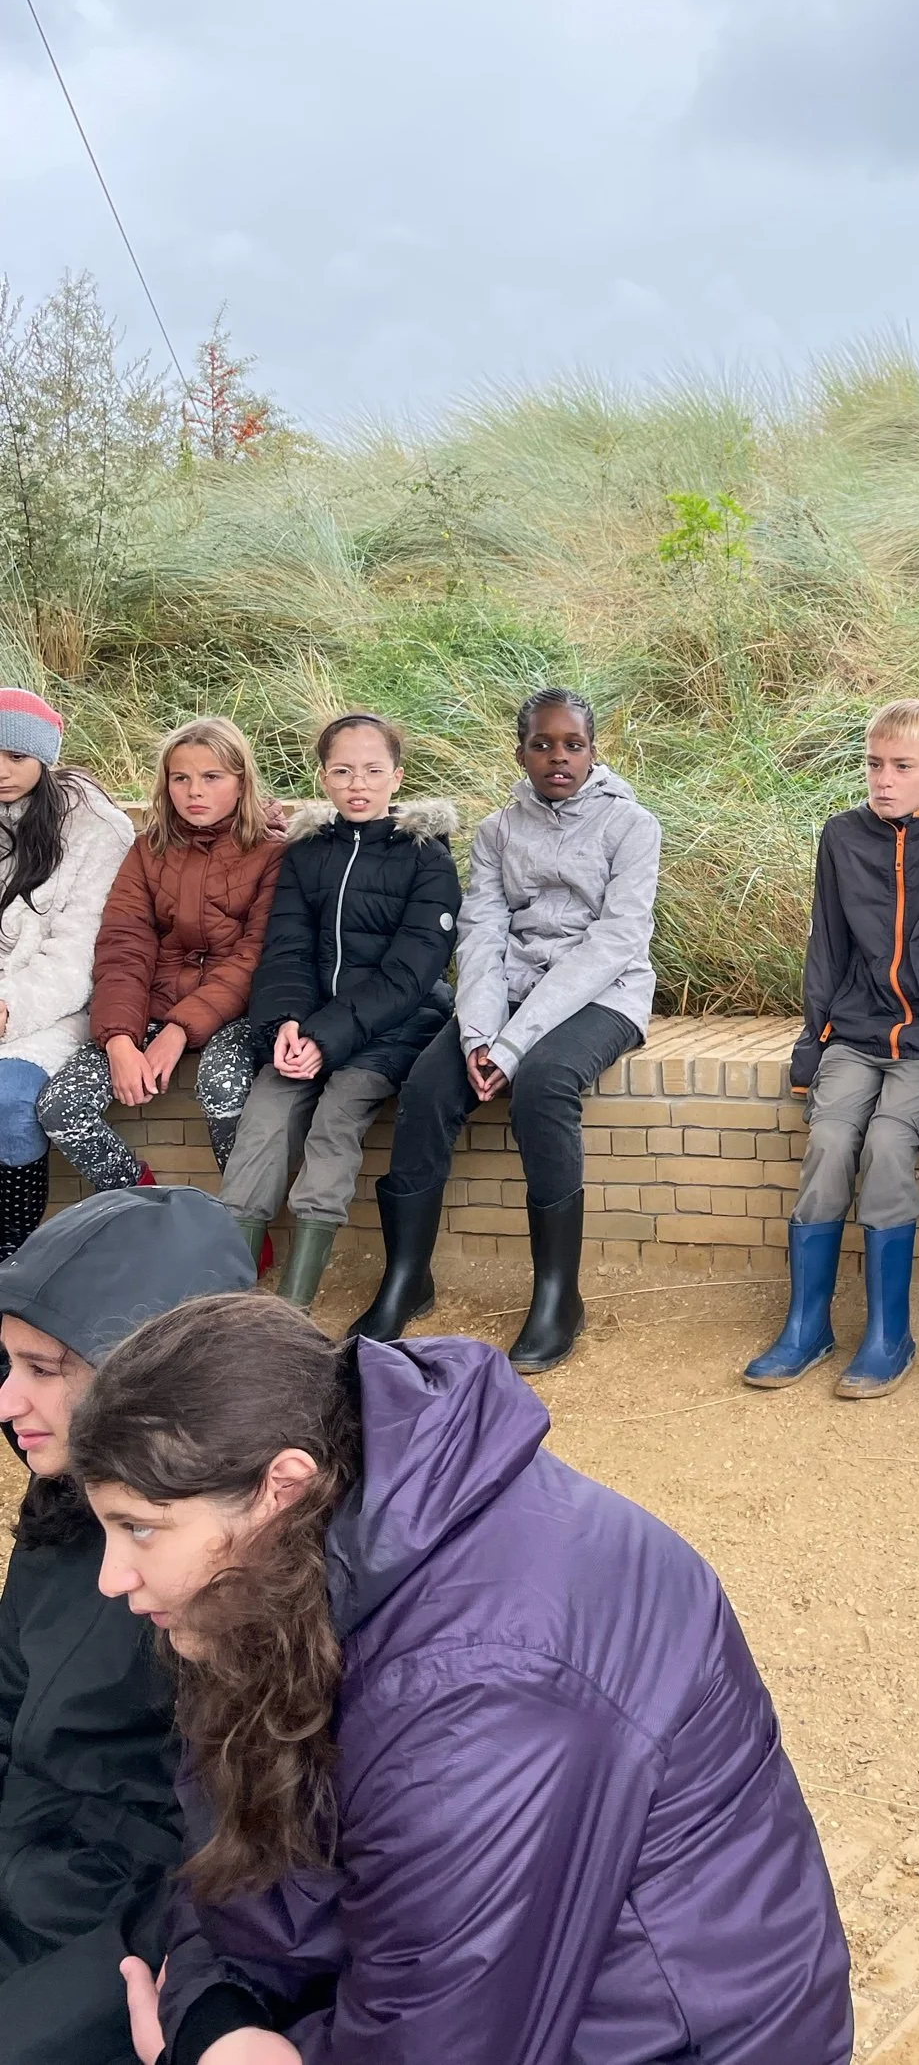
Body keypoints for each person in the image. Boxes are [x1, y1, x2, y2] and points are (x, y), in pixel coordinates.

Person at [66, 1294, 854, 2065]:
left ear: (284, 1486)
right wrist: (214, 2017)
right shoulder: (283, 1565)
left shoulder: (480, 1689)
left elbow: (445, 2033)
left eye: (139, 1528)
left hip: (666, 2038)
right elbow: (233, 1841)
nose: (111, 1577)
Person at [0, 1184, 256, 2065]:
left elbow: (226, 1864)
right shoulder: (65, 1505)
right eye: (6, 1364)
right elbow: (9, 1700)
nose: (7, 1401)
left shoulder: (246, 1561)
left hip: (125, 1924)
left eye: (43, 1370)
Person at [350, 688, 659, 1372]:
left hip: (603, 994)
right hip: (509, 996)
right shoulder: (497, 832)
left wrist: (515, 1047)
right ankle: (407, 1277)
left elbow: (615, 943)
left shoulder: (632, 826)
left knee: (544, 1086)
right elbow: (483, 936)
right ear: (520, 753)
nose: (558, 757)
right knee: (428, 1088)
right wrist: (479, 1036)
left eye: (572, 744)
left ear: (593, 750)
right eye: (542, 744)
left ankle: (557, 1298)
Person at [745, 699, 919, 1399]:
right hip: (854, 1036)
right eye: (874, 764)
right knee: (830, 1142)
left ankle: (889, 1334)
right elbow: (826, 949)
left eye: (901, 766)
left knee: (888, 1145)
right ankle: (807, 1327)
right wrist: (810, 1049)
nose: (884, 779)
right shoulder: (841, 836)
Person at [218, 714, 460, 1310]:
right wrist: (285, 1025)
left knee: (335, 1121)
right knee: (263, 1121)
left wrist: (326, 1037)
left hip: (393, 1028)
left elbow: (411, 972)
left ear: (396, 777)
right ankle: (230, 1304)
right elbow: (286, 950)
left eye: (373, 771)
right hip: (309, 1026)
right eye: (343, 771)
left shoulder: (426, 857)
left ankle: (295, 1303)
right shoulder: (307, 854)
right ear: (323, 778)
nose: (358, 785)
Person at [38, 718, 283, 1196]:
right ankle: (148, 1206)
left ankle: (244, 1219)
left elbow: (255, 955)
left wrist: (178, 1030)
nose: (195, 791)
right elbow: (123, 947)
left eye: (212, 777)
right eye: (181, 778)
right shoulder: (147, 850)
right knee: (62, 1107)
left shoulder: (272, 853)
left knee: (224, 1091)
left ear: (241, 782)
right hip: (151, 1003)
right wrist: (118, 1040)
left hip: (235, 1011)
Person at [0, 688, 135, 1255]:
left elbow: (80, 952)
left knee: (8, 1101)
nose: (2, 771)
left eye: (16, 756)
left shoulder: (94, 829)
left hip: (55, 1006)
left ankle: (12, 1255)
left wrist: (9, 1008)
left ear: (44, 757)